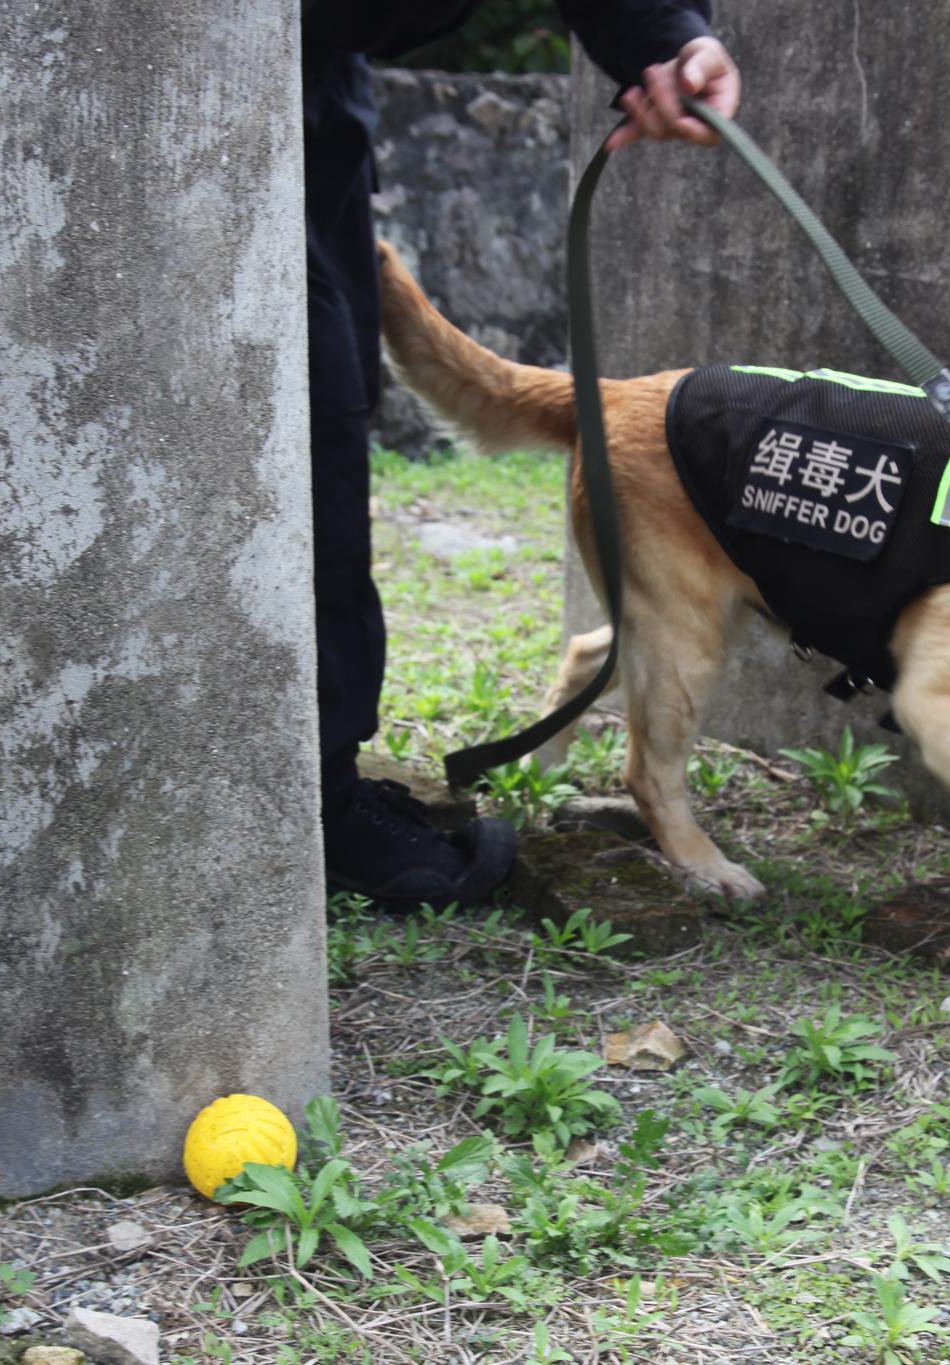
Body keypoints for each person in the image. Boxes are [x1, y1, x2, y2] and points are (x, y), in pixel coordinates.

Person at [302, 2, 742, 907]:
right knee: (303, 433)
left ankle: (324, 783)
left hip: (315, 97)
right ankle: (305, 794)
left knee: (331, 427)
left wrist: (660, 39)